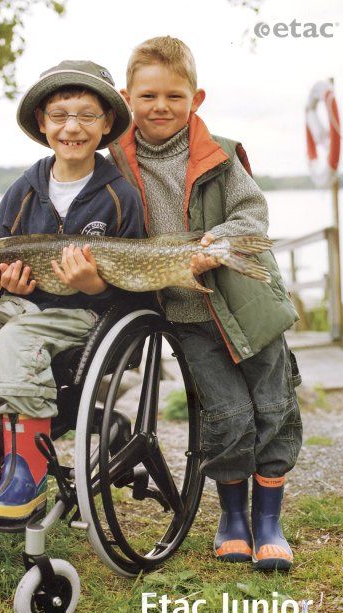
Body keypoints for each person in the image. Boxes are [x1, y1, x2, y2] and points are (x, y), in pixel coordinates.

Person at [109, 36, 302, 571]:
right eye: (148, 96)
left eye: (174, 95)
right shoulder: (116, 166)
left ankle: (269, 522)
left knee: (273, 408)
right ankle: (233, 519)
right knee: (228, 415)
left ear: (196, 98)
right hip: (188, 316)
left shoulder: (220, 153)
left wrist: (205, 250)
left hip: (248, 306)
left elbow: (251, 216)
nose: (161, 107)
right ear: (128, 97)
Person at [0, 60, 144, 520]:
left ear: (107, 123)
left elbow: (129, 279)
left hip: (82, 314)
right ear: (42, 123)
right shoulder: (23, 189)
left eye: (87, 115)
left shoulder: (119, 196)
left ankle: (23, 475)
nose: (73, 126)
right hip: (15, 302)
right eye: (60, 115)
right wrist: (6, 282)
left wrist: (92, 284)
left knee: (16, 341)